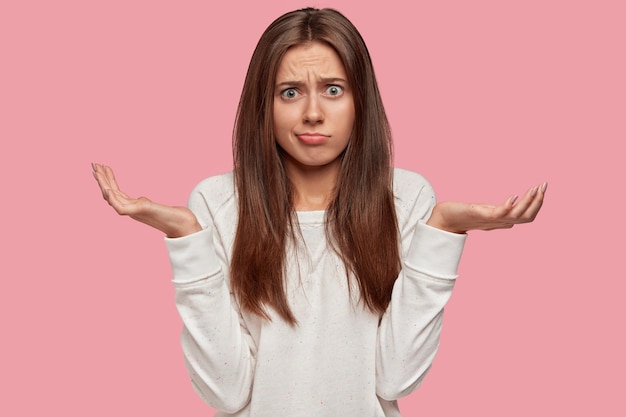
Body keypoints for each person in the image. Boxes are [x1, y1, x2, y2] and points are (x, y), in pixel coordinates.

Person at [92, 7, 546, 417]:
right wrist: (186, 239)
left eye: (333, 89)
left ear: (359, 101)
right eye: (290, 92)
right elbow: (226, 392)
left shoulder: (406, 198)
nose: (312, 113)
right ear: (263, 107)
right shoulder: (217, 203)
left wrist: (442, 232)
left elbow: (396, 379)